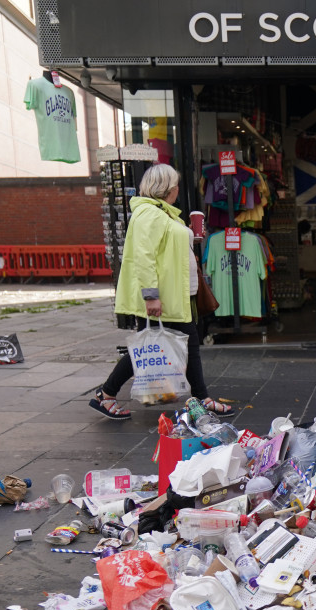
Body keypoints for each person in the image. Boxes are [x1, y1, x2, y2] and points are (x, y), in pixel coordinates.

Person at [90, 163, 235, 420]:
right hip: (164, 298)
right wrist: (151, 295)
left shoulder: (162, 213)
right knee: (152, 348)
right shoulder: (149, 214)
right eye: (176, 184)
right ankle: (107, 394)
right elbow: (143, 258)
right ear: (168, 187)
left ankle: (201, 398)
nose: (178, 189)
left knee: (178, 346)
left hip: (177, 295)